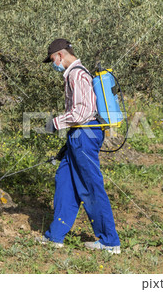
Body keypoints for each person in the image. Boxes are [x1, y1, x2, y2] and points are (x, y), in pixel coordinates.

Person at [36, 38, 121, 254]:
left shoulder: (76, 74)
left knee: (91, 186)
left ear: (60, 55)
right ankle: (55, 236)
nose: (53, 64)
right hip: (78, 135)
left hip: (85, 134)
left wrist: (54, 124)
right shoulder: (75, 74)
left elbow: (82, 113)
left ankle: (110, 242)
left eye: (53, 59)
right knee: (64, 180)